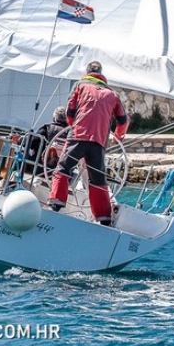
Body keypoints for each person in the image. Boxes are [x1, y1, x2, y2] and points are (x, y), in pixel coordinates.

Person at [47, 61, 129, 225]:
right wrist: (118, 137)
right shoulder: (112, 94)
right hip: (98, 142)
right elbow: (123, 120)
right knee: (98, 179)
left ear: (87, 72)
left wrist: (72, 126)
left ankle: (56, 203)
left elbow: (70, 110)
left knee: (64, 168)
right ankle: (104, 217)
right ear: (101, 73)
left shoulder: (80, 85)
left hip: (78, 136)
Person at [23, 106, 67, 178]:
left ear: (54, 118)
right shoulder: (71, 133)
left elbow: (29, 144)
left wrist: (20, 140)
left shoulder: (46, 129)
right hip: (60, 173)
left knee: (19, 157)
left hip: (40, 168)